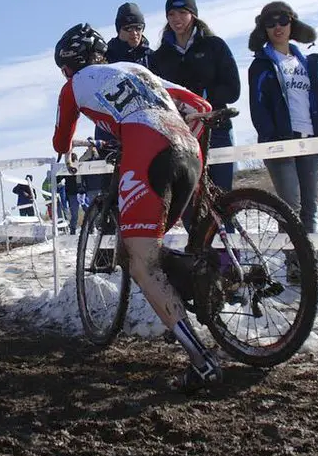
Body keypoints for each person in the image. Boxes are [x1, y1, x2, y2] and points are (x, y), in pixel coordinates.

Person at [50, 22, 224, 389]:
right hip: (187, 147)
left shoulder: (73, 87)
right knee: (156, 248)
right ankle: (196, 284)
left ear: (69, 65)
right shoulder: (139, 69)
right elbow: (200, 105)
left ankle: (201, 359)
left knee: (140, 261)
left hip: (147, 148)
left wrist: (69, 148)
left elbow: (60, 139)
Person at [246, 1, 318, 234]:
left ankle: (310, 266)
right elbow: (258, 108)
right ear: (264, 29)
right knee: (290, 209)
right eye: (271, 22)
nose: (278, 27)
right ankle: (294, 268)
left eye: (283, 21)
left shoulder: (306, 63)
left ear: (292, 24)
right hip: (281, 142)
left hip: (309, 140)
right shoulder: (261, 66)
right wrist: (271, 140)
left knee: (310, 208)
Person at [150, 0, 240, 192]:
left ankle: (226, 225)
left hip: (216, 128)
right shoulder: (160, 56)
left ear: (193, 14)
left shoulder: (214, 46)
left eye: (183, 12)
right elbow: (155, 97)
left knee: (222, 194)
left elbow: (233, 89)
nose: (176, 19)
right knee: (188, 197)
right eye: (171, 14)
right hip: (179, 133)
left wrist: (200, 98)